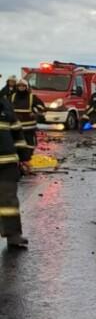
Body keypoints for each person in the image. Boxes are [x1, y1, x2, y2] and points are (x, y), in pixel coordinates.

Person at [0, 92, 30, 248]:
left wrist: (24, 157)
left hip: (7, 163)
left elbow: (17, 132)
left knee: (9, 202)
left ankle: (13, 236)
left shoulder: (5, 105)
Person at [10, 79, 45, 158]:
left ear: (26, 87)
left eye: (23, 86)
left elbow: (42, 107)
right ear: (17, 87)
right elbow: (7, 108)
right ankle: (19, 159)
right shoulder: (12, 96)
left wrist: (34, 112)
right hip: (16, 127)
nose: (21, 87)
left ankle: (28, 158)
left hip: (29, 128)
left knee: (29, 144)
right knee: (17, 143)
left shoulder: (32, 97)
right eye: (19, 86)